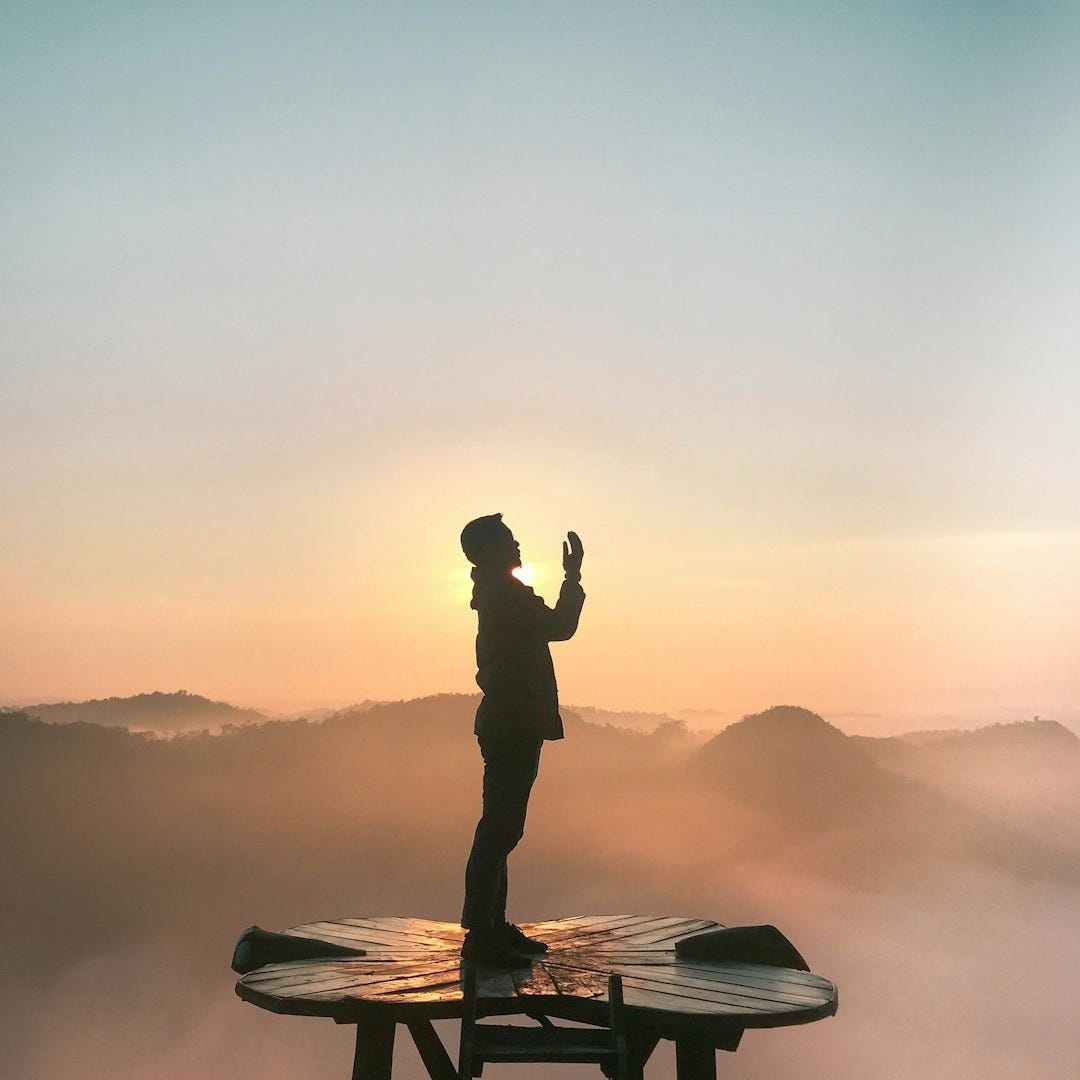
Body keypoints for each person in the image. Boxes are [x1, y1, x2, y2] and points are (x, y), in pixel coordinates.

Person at [458, 513, 585, 966]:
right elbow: (560, 626)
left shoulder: (498, 593)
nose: (517, 545)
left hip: (510, 721)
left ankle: (492, 926)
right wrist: (573, 577)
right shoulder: (506, 596)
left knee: (502, 826)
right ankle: (481, 935)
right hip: (512, 723)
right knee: (500, 828)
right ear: (490, 550)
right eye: (508, 540)